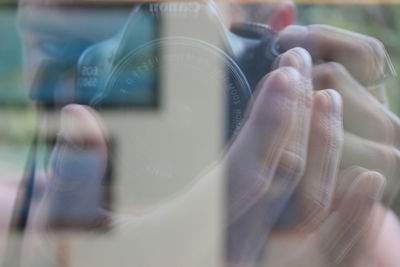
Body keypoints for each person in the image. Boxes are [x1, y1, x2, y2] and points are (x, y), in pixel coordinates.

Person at [0, 0, 399, 266]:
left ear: (271, 41)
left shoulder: (355, 244)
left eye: (165, 52)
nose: (123, 87)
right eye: (60, 46)